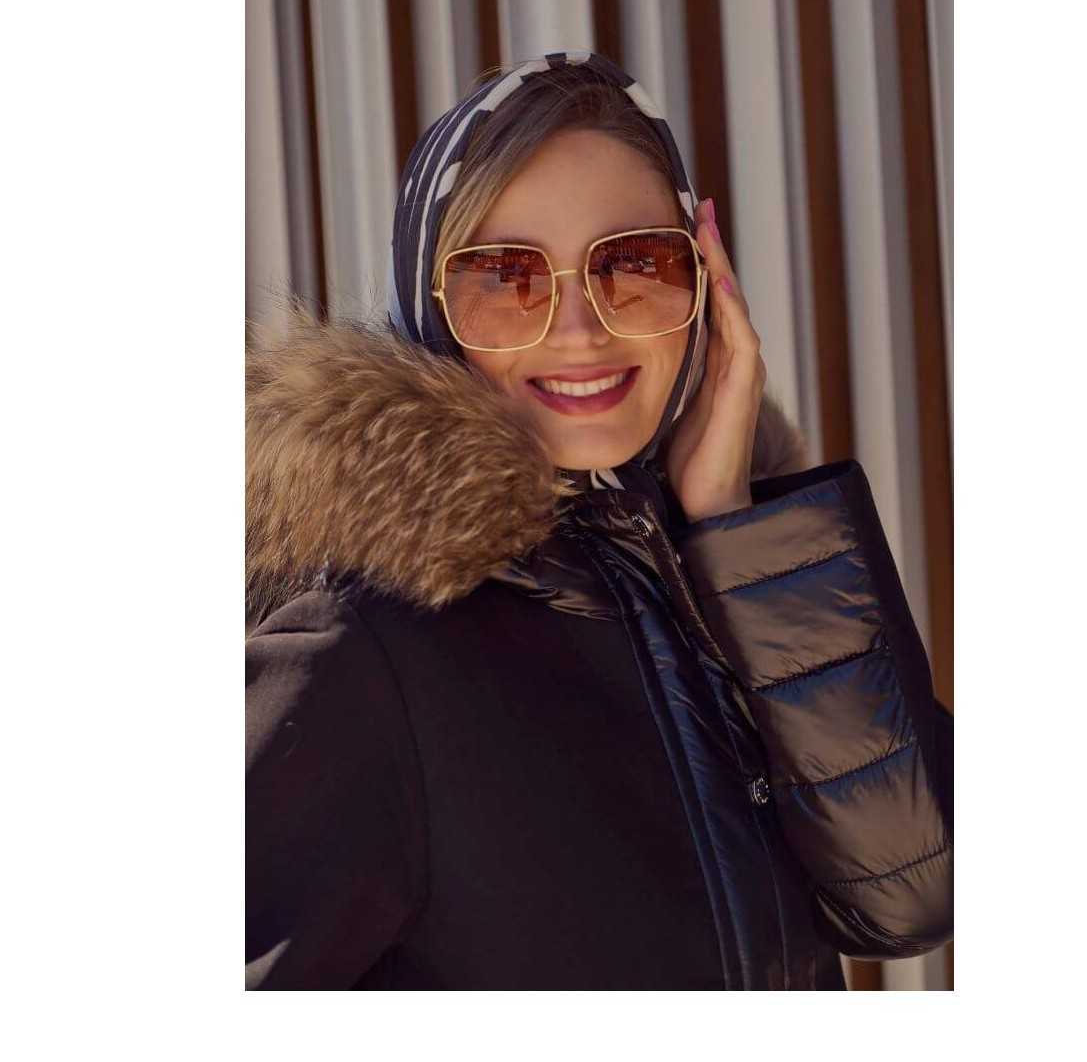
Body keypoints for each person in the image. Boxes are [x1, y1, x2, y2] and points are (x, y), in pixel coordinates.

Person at [245, 50, 953, 991]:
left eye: (635, 265)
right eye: (506, 278)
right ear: (431, 309)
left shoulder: (717, 586)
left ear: (705, 287)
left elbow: (914, 896)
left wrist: (730, 530)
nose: (579, 329)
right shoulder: (359, 654)